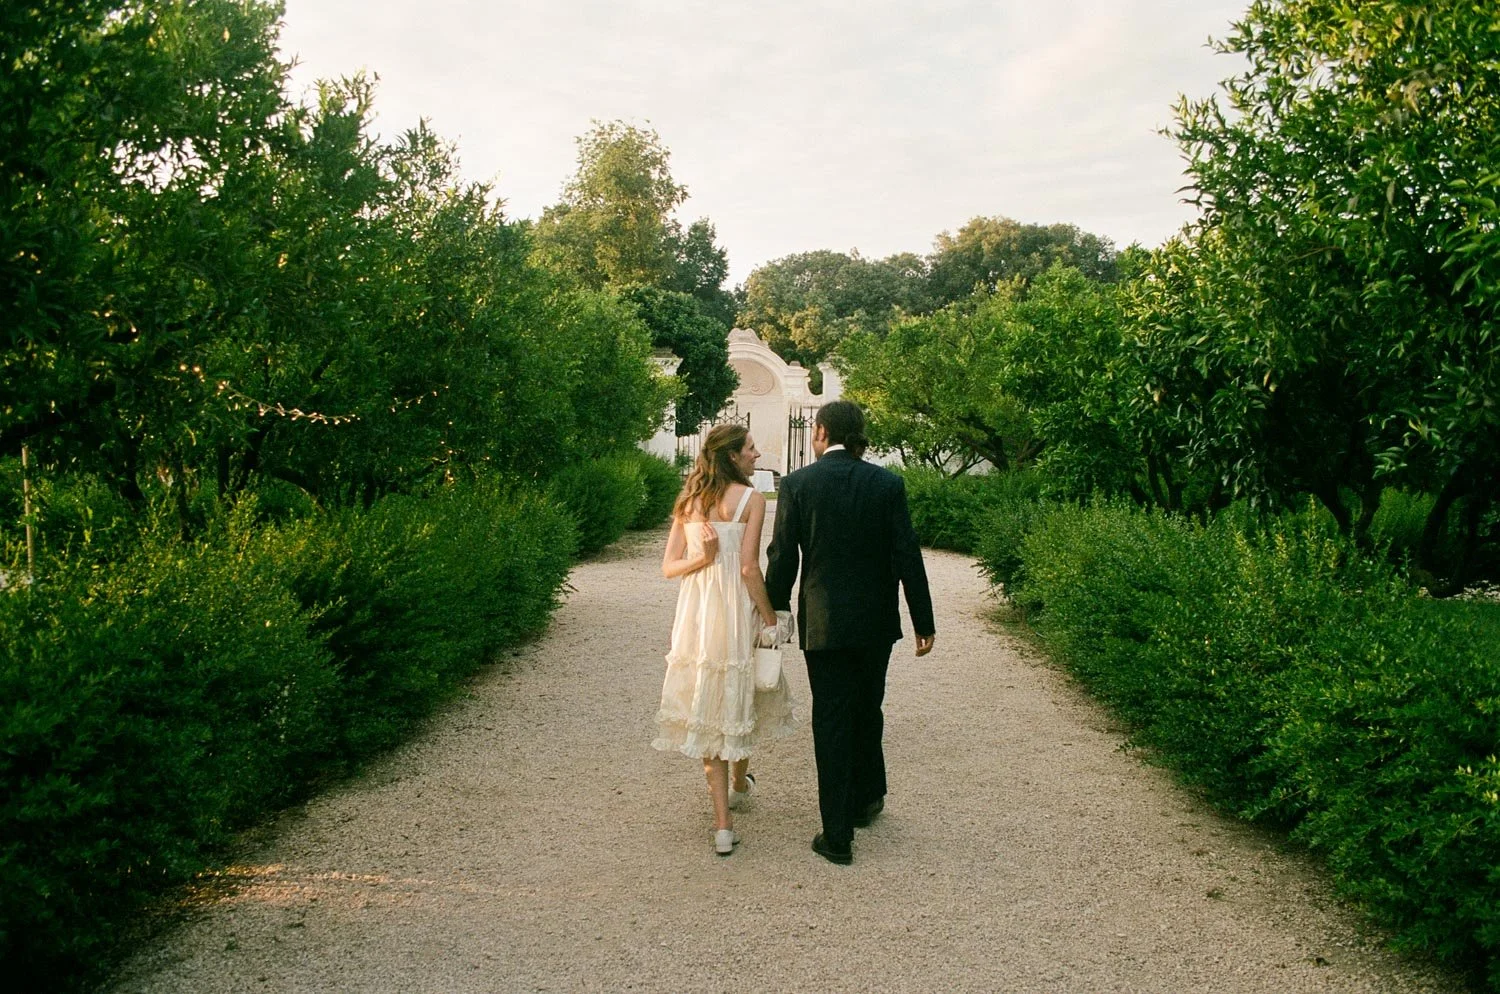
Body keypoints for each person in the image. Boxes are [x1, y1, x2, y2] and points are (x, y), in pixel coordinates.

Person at [765, 400, 935, 865]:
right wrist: (924, 621)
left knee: (832, 719)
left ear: (820, 432)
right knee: (868, 706)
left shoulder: (798, 484)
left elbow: (782, 557)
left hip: (823, 621)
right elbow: (907, 555)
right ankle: (866, 799)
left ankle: (837, 833)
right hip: (876, 622)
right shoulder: (887, 484)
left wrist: (774, 609)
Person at [653, 424, 796, 856]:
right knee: (742, 692)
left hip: (697, 615)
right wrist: (771, 618)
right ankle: (736, 784)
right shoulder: (751, 500)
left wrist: (700, 558)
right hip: (735, 611)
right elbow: (750, 569)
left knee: (707, 700)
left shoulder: (689, 499)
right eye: (751, 447)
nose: (757, 453)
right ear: (733, 456)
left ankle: (723, 823)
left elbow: (669, 568)